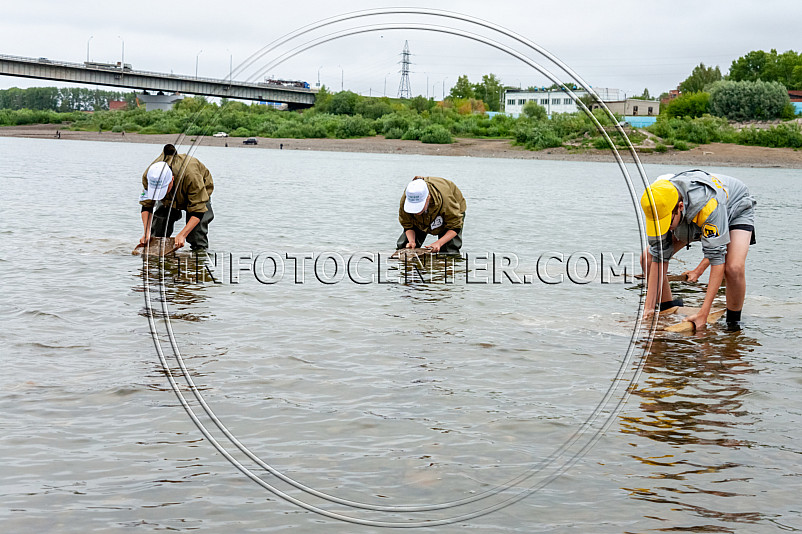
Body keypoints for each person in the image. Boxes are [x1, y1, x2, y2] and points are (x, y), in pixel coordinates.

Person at [640, 169, 756, 331]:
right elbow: (660, 255)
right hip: (690, 216)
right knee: (648, 257)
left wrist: (703, 313)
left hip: (734, 208)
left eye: (666, 223)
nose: (663, 228)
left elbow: (716, 259)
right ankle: (666, 308)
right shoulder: (657, 200)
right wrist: (647, 308)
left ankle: (733, 324)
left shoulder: (708, 205)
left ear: (679, 207)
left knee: (733, 268)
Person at [139, 144, 215, 251]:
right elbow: (146, 206)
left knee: (196, 235)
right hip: (171, 198)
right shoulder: (149, 175)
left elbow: (198, 211)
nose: (162, 194)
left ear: (172, 179)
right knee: (157, 232)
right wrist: (146, 233)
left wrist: (182, 235)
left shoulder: (191, 176)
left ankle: (199, 257)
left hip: (197, 192)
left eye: (163, 190)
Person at [397, 176, 466, 254]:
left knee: (448, 249)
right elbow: (407, 225)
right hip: (420, 219)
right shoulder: (407, 197)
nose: (416, 212)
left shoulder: (447, 201)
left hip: (449, 211)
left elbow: (455, 227)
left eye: (419, 207)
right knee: (405, 247)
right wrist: (411, 241)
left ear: (428, 198)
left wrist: (439, 243)